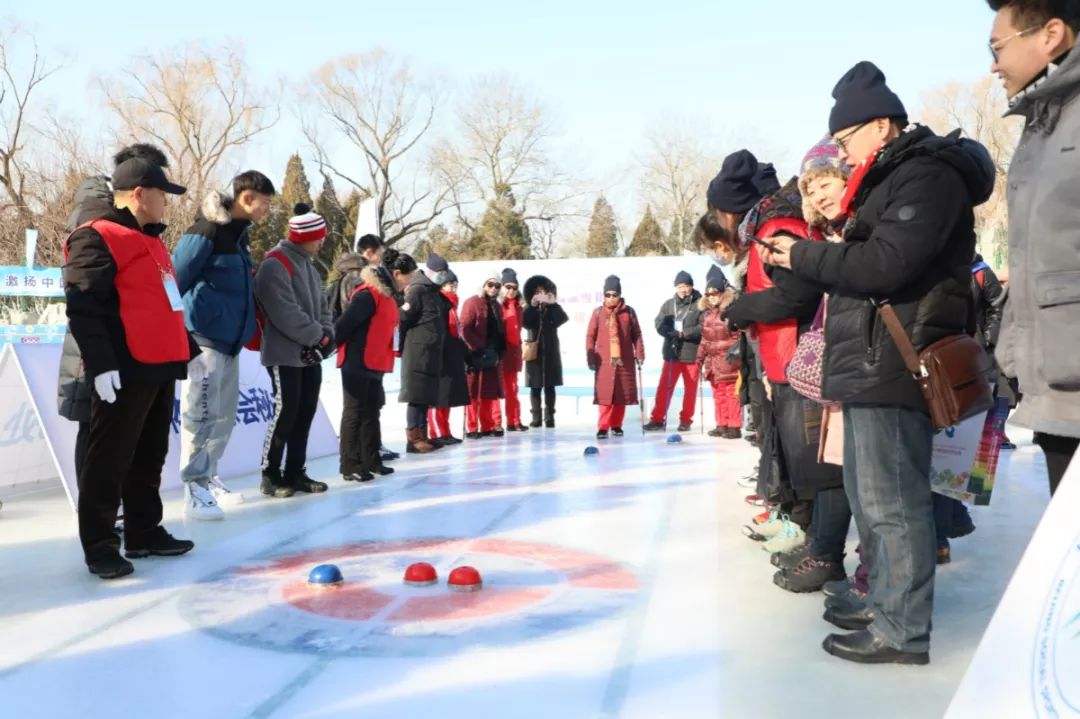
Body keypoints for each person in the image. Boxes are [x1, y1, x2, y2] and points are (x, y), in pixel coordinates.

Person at [762, 61, 995, 665]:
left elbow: (886, 265)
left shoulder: (926, 175)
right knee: (873, 503)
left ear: (882, 125)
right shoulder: (885, 179)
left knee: (893, 505)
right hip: (869, 361)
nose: (839, 152)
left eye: (845, 138)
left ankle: (902, 628)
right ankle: (885, 603)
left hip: (895, 359)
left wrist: (806, 257)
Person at [64, 157, 196, 580]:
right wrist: (101, 365)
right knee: (109, 460)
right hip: (124, 367)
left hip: (158, 365)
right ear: (139, 194)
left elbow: (166, 301)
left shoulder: (149, 239)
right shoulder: (96, 236)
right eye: (163, 195)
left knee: (149, 456)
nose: (166, 204)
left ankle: (144, 530)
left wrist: (188, 350)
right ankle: (101, 545)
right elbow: (85, 306)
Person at [987, 0, 1080, 496]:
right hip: (1055, 383)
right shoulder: (1045, 120)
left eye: (997, 47)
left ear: (1050, 34)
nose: (993, 64)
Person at [59, 143, 171, 486]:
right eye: (159, 185)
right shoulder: (96, 218)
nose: (164, 195)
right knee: (94, 426)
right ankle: (97, 515)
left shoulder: (138, 223)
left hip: (133, 342)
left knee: (128, 434)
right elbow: (86, 292)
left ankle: (123, 513)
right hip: (97, 343)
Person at [172, 171, 275, 521]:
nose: (268, 211)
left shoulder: (239, 236)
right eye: (266, 203)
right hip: (204, 341)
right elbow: (174, 281)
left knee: (223, 417)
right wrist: (181, 335)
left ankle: (208, 476)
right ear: (247, 198)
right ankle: (193, 485)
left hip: (230, 343)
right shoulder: (206, 231)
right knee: (200, 415)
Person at [255, 204, 335, 498]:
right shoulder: (275, 264)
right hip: (284, 354)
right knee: (285, 412)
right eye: (319, 237)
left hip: (310, 354)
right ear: (305, 237)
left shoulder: (309, 268)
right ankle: (270, 473)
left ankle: (295, 471)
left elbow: (324, 309)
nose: (322, 242)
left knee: (305, 413)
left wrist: (327, 337)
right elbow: (284, 312)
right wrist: (318, 337)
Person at [334, 255, 399, 482]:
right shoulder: (366, 295)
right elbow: (343, 325)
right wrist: (327, 346)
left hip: (376, 361)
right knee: (354, 411)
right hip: (358, 360)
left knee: (372, 411)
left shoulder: (387, 297)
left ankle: (371, 459)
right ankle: (350, 463)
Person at [397, 251, 447, 453]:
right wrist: (399, 348)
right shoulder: (416, 290)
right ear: (429, 271)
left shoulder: (433, 291)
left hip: (431, 352)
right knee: (416, 396)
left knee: (425, 396)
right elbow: (403, 318)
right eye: (439, 272)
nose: (442, 276)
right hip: (417, 351)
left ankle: (423, 434)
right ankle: (413, 439)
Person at [586, 275, 644, 439]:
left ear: (620, 295)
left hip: (624, 360)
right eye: (608, 295)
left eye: (614, 295)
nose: (611, 298)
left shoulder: (629, 312)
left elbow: (637, 335)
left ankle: (617, 425)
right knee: (605, 396)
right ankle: (603, 427)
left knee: (621, 395)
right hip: (603, 361)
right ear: (603, 296)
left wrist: (639, 353)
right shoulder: (598, 313)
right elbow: (590, 336)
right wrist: (590, 357)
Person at [644, 271, 703, 433]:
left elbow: (703, 326)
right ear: (676, 287)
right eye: (680, 286)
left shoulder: (700, 303)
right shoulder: (669, 304)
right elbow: (659, 323)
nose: (683, 289)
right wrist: (668, 332)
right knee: (664, 387)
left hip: (691, 353)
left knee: (690, 390)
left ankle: (685, 420)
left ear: (691, 286)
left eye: (686, 286)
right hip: (672, 353)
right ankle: (657, 419)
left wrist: (685, 333)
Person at [461, 272, 507, 439]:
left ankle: (491, 425)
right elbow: (465, 328)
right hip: (477, 354)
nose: (493, 289)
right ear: (483, 285)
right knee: (474, 392)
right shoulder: (472, 302)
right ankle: (472, 427)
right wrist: (477, 347)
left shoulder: (497, 306)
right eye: (490, 284)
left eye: (497, 286)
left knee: (491, 392)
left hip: (493, 353)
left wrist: (500, 349)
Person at [696, 266, 741, 439]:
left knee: (731, 394)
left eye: (715, 293)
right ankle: (722, 424)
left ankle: (734, 426)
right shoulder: (707, 315)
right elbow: (704, 340)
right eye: (708, 294)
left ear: (722, 293)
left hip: (728, 360)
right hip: (713, 362)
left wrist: (735, 352)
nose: (712, 296)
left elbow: (738, 335)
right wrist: (699, 357)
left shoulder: (730, 311)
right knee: (718, 394)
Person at [428, 269, 469, 446]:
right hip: (441, 353)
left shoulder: (452, 304)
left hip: (451, 353)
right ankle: (437, 432)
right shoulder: (440, 302)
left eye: (455, 284)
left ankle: (446, 431)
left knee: (447, 396)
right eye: (450, 284)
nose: (453, 287)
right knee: (438, 397)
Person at [523, 275, 568, 428]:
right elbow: (525, 322)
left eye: (542, 292)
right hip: (534, 352)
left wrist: (552, 304)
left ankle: (550, 417)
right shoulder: (529, 308)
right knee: (535, 386)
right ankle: (536, 417)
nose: (539, 295)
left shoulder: (552, 308)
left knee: (550, 386)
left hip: (550, 351)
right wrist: (532, 306)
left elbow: (562, 319)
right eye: (537, 292)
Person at [499, 268, 528, 432]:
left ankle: (514, 421)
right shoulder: (497, 304)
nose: (510, 290)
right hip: (499, 352)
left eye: (514, 287)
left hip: (513, 351)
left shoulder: (518, 306)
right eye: (507, 286)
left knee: (512, 388)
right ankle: (494, 423)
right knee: (495, 390)